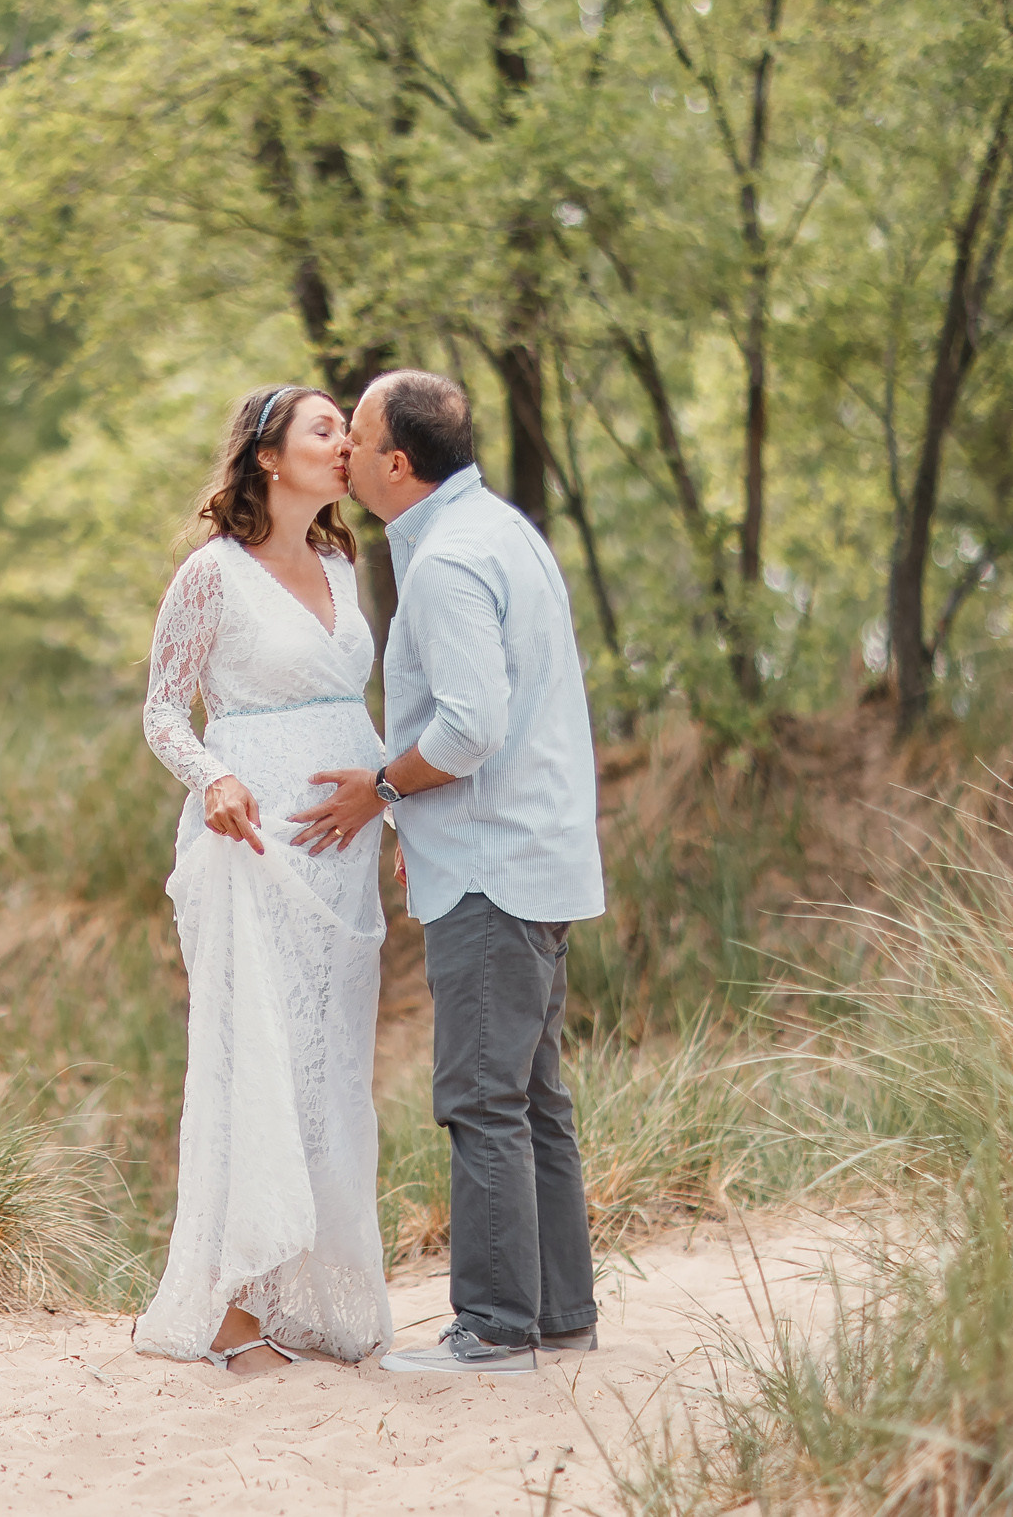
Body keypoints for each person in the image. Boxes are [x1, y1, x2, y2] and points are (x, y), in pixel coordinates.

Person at [288, 368, 606, 1377]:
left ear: (396, 462)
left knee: (480, 1096)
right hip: (531, 851)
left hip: (492, 867)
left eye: (356, 434)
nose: (343, 451)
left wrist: (381, 789)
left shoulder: (447, 562)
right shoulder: (502, 531)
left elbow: (469, 729)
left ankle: (495, 1327)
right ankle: (559, 1314)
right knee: (532, 1096)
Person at [133, 384, 393, 1375]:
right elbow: (163, 709)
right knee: (259, 1056)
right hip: (253, 843)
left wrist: (392, 806)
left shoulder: (341, 564)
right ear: (269, 457)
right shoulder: (212, 574)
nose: (346, 443)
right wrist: (213, 776)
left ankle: (308, 1298)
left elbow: (352, 705)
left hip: (343, 852)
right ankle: (236, 1310)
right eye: (325, 429)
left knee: (330, 1064)